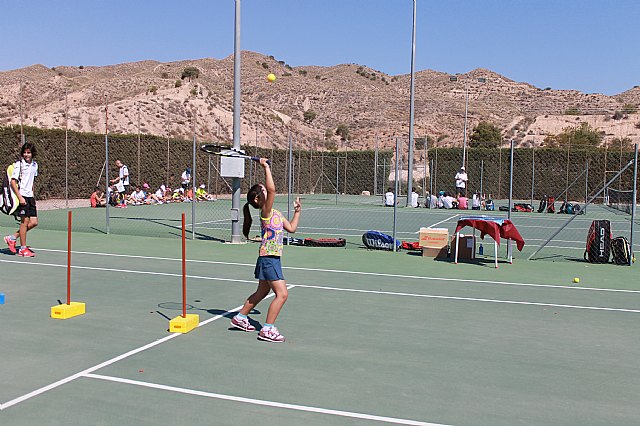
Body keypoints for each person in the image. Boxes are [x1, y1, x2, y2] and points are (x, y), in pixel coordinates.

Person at [230, 158, 301, 343]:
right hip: (269, 258)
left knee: (262, 292)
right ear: (257, 199)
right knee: (282, 294)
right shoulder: (265, 212)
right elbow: (272, 190)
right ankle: (267, 329)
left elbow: (292, 228)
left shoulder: (275, 213)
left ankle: (240, 317)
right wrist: (266, 166)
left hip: (269, 257)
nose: (266, 191)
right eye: (262, 190)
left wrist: (298, 212)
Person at [4, 142, 39, 257]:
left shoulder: (35, 165)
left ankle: (12, 238)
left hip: (30, 197)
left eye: (28, 152)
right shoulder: (19, 164)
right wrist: (20, 197)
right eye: (24, 152)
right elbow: (13, 181)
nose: (26, 154)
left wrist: (33, 195)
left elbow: (32, 181)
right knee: (24, 223)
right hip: (22, 196)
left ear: (32, 153)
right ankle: (23, 249)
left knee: (34, 222)